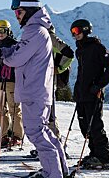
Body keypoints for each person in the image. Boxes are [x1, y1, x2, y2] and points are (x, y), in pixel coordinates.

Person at [1, 0, 68, 177]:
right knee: (44, 131)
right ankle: (60, 170)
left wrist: (5, 57)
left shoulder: (35, 30)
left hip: (33, 90)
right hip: (38, 90)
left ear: (30, 12)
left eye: (19, 12)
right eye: (15, 12)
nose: (16, 16)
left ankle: (53, 174)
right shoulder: (39, 30)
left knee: (36, 133)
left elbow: (18, 58)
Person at [70, 19, 109, 168]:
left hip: (93, 94)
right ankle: (94, 153)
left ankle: (103, 157)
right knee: (84, 126)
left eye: (76, 31)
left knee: (95, 125)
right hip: (82, 94)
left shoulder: (97, 48)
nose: (74, 35)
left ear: (85, 30)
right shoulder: (80, 50)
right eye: (72, 32)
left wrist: (98, 85)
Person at [30, 25, 74, 158]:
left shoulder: (50, 38)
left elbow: (69, 53)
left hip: (48, 83)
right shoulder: (37, 37)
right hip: (38, 82)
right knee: (42, 115)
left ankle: (57, 147)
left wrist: (58, 68)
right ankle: (47, 146)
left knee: (49, 116)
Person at [0, 19, 24, 147]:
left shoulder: (14, 45)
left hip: (11, 80)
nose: (1, 33)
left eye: (3, 30)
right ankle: (4, 135)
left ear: (8, 31)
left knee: (14, 108)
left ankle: (17, 135)